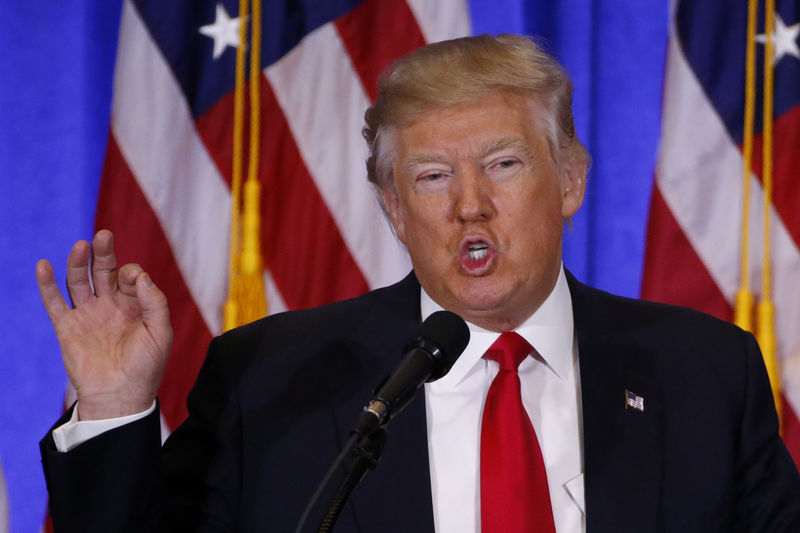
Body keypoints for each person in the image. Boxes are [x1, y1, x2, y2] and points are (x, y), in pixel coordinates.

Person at [37, 34, 800, 532]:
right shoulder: (272, 379)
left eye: (503, 164)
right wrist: (111, 406)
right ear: (395, 210)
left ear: (570, 180)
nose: (469, 204)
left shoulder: (703, 372)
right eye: (433, 177)